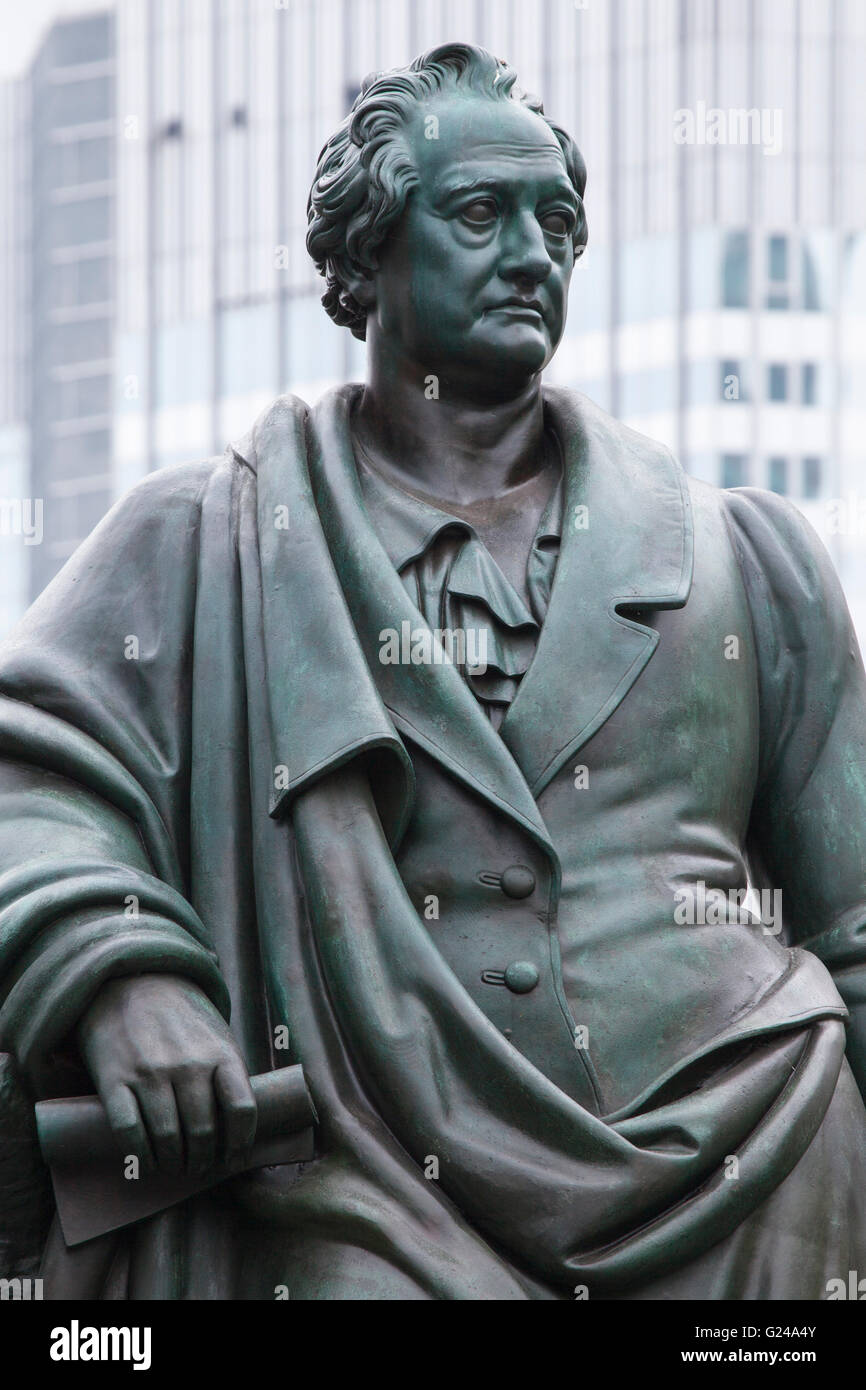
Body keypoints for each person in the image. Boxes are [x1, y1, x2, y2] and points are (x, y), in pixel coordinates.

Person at [1, 42, 865, 1300]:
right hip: (360, 1180)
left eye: (555, 221)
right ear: (368, 255)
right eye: (478, 213)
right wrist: (122, 970)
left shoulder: (746, 557)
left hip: (757, 1176)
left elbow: (854, 924)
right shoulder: (203, 544)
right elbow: (31, 784)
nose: (530, 253)